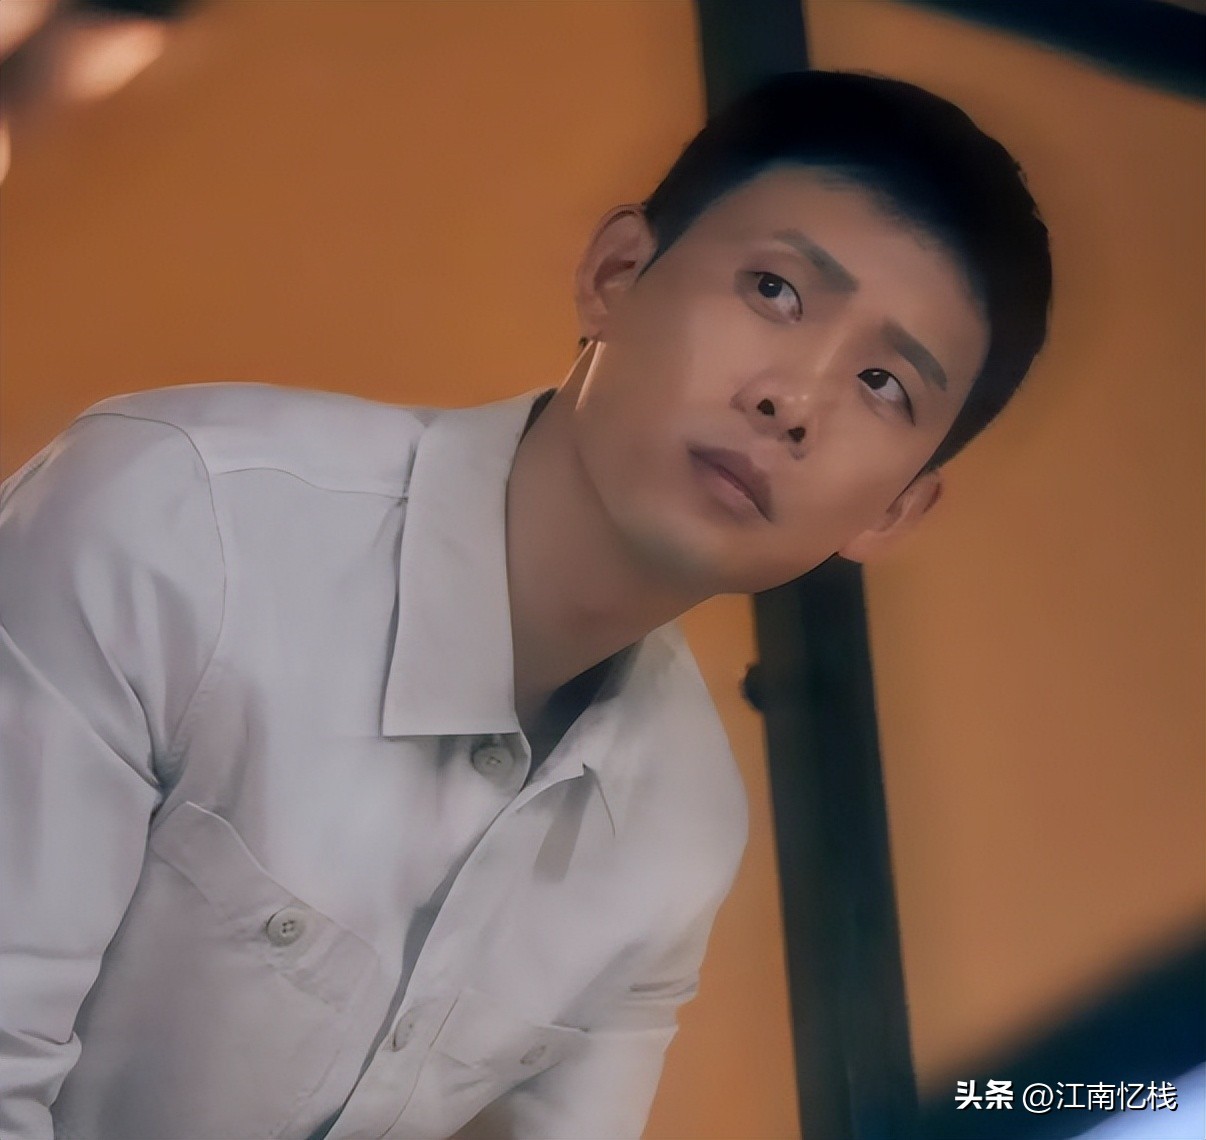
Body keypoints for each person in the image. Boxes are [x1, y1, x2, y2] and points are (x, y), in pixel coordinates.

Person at [0, 70, 1051, 1139]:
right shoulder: (179, 522)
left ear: (893, 512)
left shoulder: (680, 826)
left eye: (884, 386)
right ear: (615, 275)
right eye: (774, 291)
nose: (794, 401)